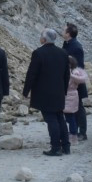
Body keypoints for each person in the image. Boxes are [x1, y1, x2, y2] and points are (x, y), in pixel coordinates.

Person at [23, 28, 71, 156]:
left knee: (51, 119)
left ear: (44, 39)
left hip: (44, 92)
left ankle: (55, 147)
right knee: (60, 117)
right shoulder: (63, 53)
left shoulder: (38, 53)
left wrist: (26, 91)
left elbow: (32, 74)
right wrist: (64, 90)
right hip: (59, 90)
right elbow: (67, 75)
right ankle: (66, 146)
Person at [61, 23, 88, 140]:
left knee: (79, 107)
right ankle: (74, 130)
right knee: (72, 107)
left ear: (68, 33)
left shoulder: (76, 47)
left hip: (74, 82)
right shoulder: (67, 44)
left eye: (64, 30)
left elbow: (79, 66)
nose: (62, 32)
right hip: (69, 81)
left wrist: (73, 78)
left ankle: (82, 132)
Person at [65, 56, 89, 145]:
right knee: (71, 117)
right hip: (74, 96)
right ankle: (74, 135)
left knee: (70, 117)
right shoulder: (77, 74)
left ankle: (74, 134)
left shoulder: (70, 74)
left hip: (68, 97)